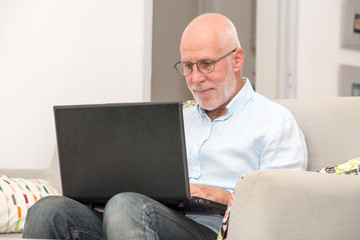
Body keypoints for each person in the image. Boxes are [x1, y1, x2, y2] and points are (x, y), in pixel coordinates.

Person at [23, 13, 307, 240]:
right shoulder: (176, 121)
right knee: (48, 210)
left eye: (206, 64)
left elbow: (281, 209)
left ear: (237, 59)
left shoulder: (275, 122)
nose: (195, 78)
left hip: (215, 231)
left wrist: (209, 193)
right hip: (143, 219)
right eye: (188, 66)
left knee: (127, 207)